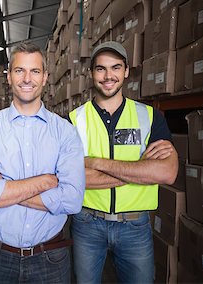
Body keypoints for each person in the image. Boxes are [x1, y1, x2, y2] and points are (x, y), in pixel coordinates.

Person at [0, 43, 85, 283]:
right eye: (19, 70)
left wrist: (4, 185)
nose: (27, 78)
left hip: (50, 258)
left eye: (35, 71)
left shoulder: (65, 132)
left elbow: (72, 199)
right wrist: (45, 182)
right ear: (9, 76)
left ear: (45, 78)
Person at [69, 41, 179, 283]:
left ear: (126, 71)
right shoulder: (74, 120)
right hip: (87, 223)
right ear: (91, 73)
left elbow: (167, 173)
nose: (108, 76)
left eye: (116, 67)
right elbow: (69, 177)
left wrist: (94, 162)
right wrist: (140, 169)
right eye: (101, 69)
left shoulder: (150, 117)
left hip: (135, 226)